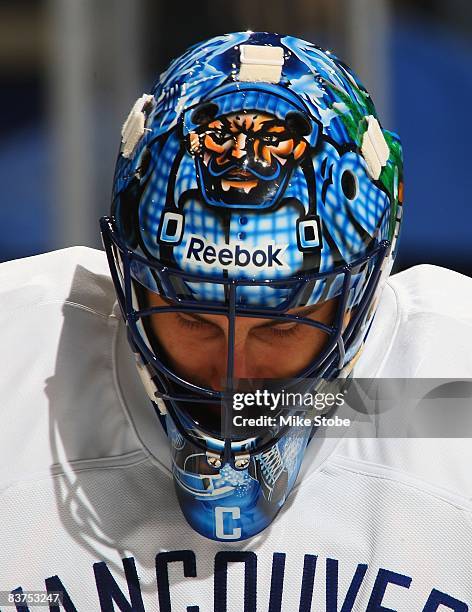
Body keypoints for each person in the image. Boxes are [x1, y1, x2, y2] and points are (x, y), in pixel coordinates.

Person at [1, 31, 472, 611]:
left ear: (357, 299)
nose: (232, 375)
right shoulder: (18, 353)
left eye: (279, 327)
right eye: (193, 318)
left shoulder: (451, 392)